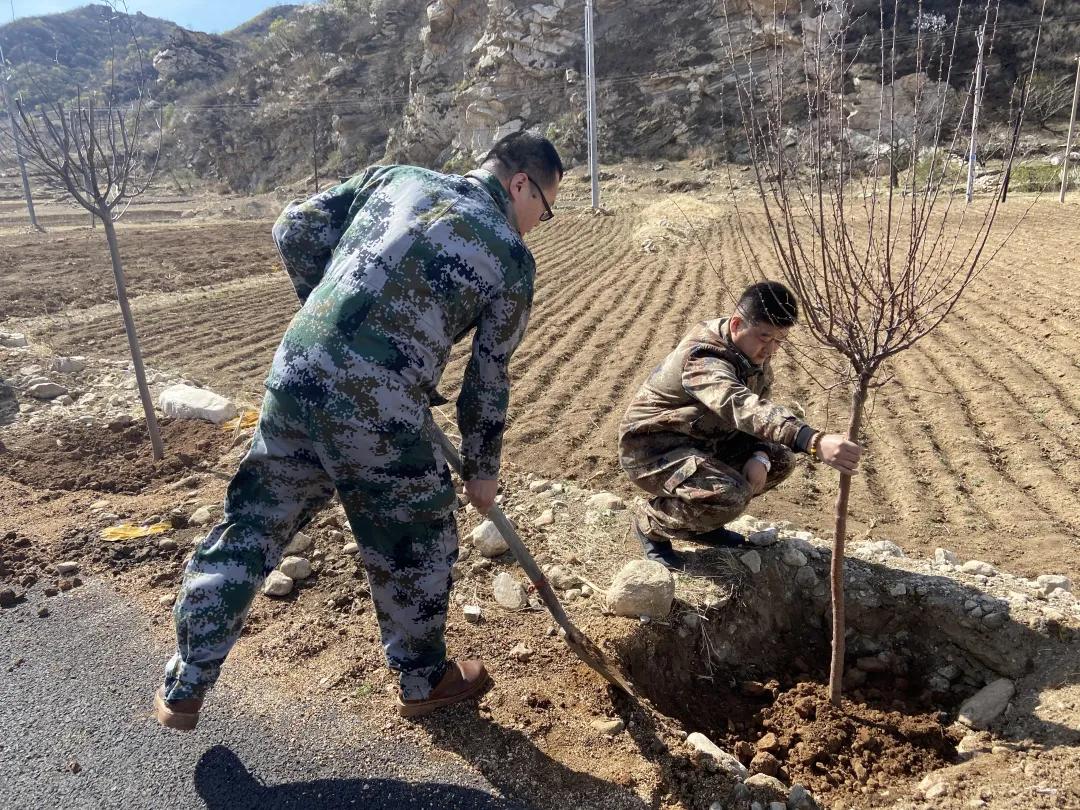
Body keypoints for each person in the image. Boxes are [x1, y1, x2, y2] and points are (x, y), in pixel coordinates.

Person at [153, 131, 563, 729]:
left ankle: (185, 683)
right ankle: (424, 680)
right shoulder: (508, 254)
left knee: (254, 523)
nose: (538, 222)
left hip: (295, 373)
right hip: (377, 405)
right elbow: (487, 376)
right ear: (520, 183)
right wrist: (481, 469)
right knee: (415, 540)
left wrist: (324, 303)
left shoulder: (397, 177)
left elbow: (294, 225)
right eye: (544, 209)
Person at [618, 281, 863, 571]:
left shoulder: (751, 353)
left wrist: (759, 454)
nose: (771, 349)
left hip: (706, 438)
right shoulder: (703, 358)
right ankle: (651, 523)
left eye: (780, 340)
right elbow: (742, 406)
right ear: (736, 325)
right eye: (765, 337)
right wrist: (812, 440)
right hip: (654, 448)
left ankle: (703, 523)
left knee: (779, 460)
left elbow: (759, 410)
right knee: (728, 494)